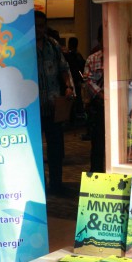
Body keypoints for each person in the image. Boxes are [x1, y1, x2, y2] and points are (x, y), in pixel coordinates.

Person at [34, 10, 75, 193]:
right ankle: (39, 185)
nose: (39, 30)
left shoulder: (53, 45)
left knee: (56, 148)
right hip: (33, 107)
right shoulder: (24, 47)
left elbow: (64, 68)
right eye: (36, 26)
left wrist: (68, 86)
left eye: (42, 26)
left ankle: (56, 184)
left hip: (53, 105)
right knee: (35, 149)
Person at [83, 25, 105, 172]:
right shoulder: (92, 59)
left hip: (117, 107)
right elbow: (88, 80)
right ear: (99, 39)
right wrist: (101, 95)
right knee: (97, 144)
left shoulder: (121, 56)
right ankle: (97, 175)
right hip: (99, 107)